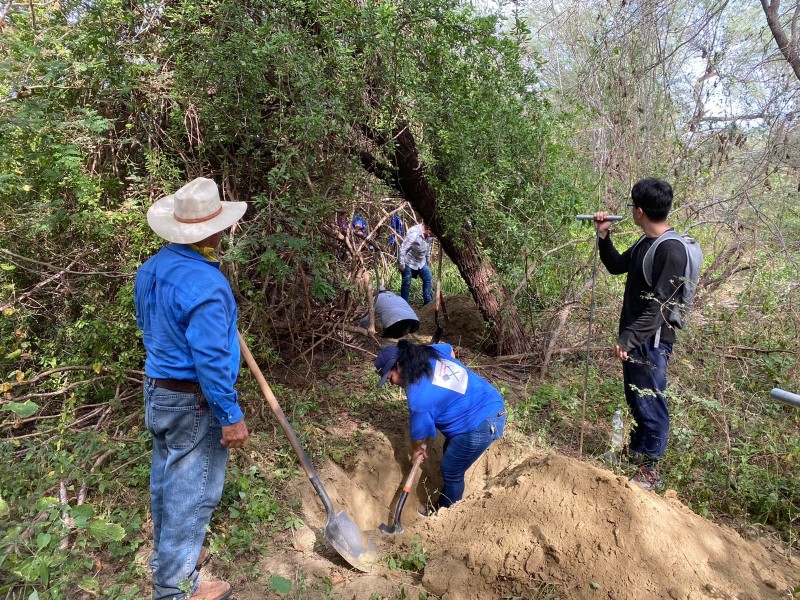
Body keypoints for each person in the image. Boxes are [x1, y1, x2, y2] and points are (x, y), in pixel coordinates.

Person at [134, 177, 249, 600]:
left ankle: (172, 565)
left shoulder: (152, 268)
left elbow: (150, 327)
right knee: (192, 493)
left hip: (157, 392)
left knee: (166, 483)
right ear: (213, 229)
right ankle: (174, 589)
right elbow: (211, 362)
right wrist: (230, 415)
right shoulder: (207, 285)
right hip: (193, 403)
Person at [593, 178, 688, 491]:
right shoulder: (646, 242)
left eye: (633, 205)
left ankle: (650, 470)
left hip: (652, 342)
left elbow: (662, 306)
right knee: (636, 398)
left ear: (640, 211)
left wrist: (628, 339)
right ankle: (636, 456)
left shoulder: (671, 250)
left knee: (651, 403)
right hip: (637, 338)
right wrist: (603, 236)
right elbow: (618, 265)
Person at [374, 340, 506, 514]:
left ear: (399, 365)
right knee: (449, 452)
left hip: (482, 422)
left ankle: (446, 513)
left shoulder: (419, 399)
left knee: (451, 470)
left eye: (390, 377)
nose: (391, 383)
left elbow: (417, 439)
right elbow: (449, 350)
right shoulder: (427, 353)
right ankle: (446, 500)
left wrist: (416, 452)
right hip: (490, 401)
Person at [398, 222, 434, 305]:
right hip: (409, 261)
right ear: (428, 230)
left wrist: (427, 260)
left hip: (421, 261)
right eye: (432, 234)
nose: (433, 237)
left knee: (428, 278)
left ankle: (427, 303)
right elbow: (403, 249)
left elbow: (427, 248)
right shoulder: (414, 233)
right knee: (406, 282)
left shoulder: (430, 234)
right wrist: (401, 265)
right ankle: (405, 305)